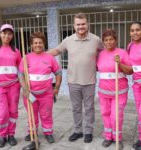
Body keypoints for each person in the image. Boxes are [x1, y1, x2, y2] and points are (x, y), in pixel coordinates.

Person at [48, 12, 103, 143]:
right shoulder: (68, 40)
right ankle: (78, 131)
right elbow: (56, 51)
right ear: (74, 26)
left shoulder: (96, 40)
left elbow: (104, 52)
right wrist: (39, 55)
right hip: (73, 81)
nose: (81, 26)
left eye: (83, 24)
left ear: (87, 24)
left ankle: (88, 131)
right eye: (78, 24)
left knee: (89, 108)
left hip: (89, 81)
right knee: (76, 108)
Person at [19, 32, 62, 143]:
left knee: (46, 114)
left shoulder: (49, 58)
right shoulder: (26, 58)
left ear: (43, 44)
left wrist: (56, 88)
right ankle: (32, 133)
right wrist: (25, 88)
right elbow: (20, 75)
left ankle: (48, 132)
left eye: (40, 42)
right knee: (31, 114)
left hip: (46, 94)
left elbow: (58, 73)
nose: (37, 45)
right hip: (30, 93)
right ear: (31, 45)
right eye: (35, 43)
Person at [97, 29, 133, 149]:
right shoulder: (101, 54)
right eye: (106, 40)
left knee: (116, 116)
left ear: (116, 40)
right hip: (103, 92)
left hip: (119, 92)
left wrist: (120, 64)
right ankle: (108, 136)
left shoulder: (122, 53)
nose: (109, 42)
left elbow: (130, 71)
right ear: (103, 42)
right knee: (105, 114)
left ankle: (118, 138)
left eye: (111, 39)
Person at [0, 24, 21, 147]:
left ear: (12, 35)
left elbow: (20, 70)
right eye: (4, 33)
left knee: (13, 111)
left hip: (13, 85)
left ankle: (11, 134)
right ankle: (2, 135)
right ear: (0, 34)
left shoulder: (16, 51)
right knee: (2, 113)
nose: (7, 36)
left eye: (9, 33)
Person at [128, 22, 141, 150]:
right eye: (132, 30)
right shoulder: (130, 46)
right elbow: (129, 66)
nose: (135, 33)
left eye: (138, 30)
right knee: (140, 113)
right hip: (137, 85)